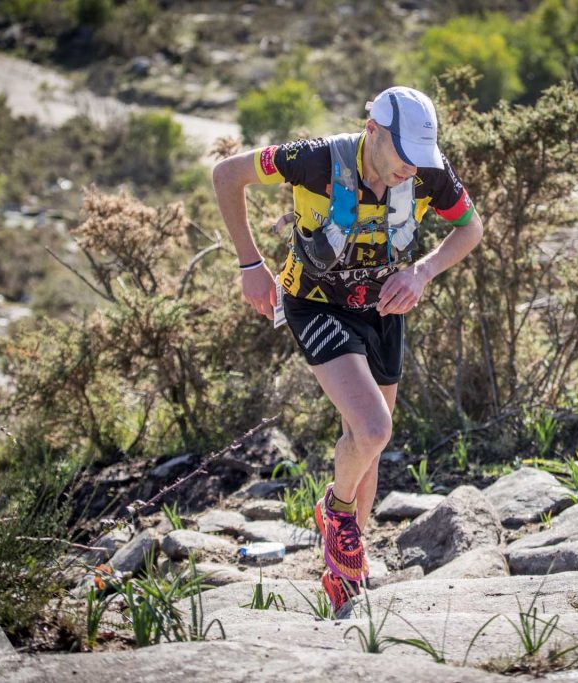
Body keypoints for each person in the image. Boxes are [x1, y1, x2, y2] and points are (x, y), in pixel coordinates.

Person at [212, 86, 483, 611]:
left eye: (420, 156)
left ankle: (344, 573)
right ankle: (336, 512)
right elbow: (227, 174)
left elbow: (470, 228)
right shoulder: (314, 158)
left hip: (383, 309)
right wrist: (250, 264)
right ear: (372, 130)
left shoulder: (427, 169)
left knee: (367, 448)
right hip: (316, 304)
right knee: (375, 427)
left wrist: (422, 272)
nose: (411, 168)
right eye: (403, 153)